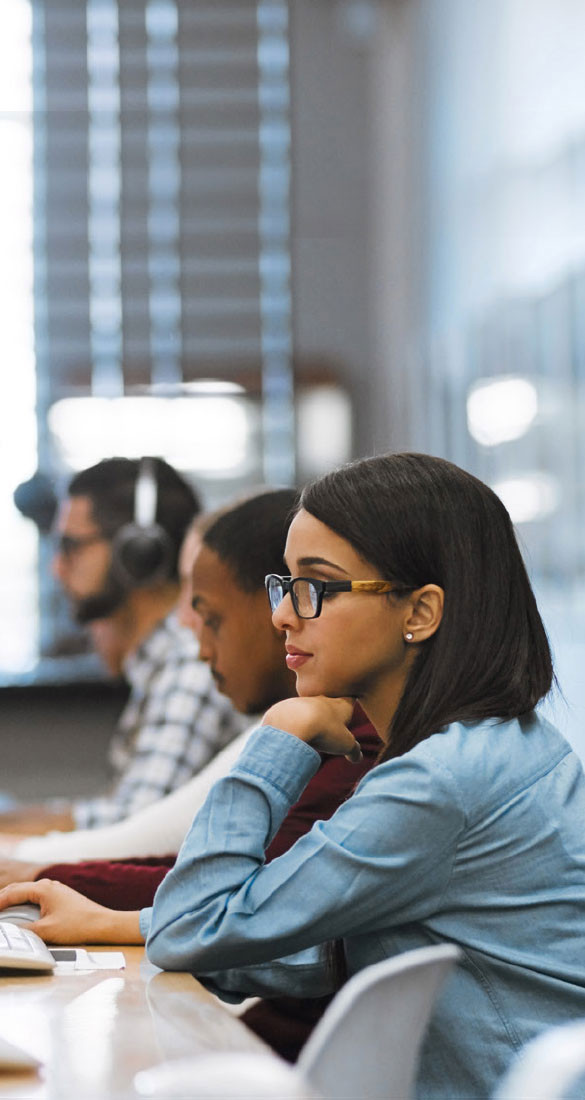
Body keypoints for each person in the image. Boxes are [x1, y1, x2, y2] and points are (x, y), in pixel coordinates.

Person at [0, 487, 382, 1062]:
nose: (284, 617)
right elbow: (227, 906)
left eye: (309, 592)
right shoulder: (336, 734)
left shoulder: (371, 757)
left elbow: (216, 909)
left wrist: (51, 877)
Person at [0, 457, 245, 835]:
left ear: (138, 554)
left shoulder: (190, 662)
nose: (56, 569)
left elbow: (134, 827)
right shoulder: (161, 663)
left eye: (71, 546)